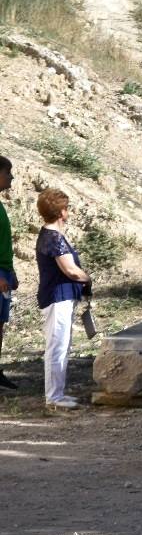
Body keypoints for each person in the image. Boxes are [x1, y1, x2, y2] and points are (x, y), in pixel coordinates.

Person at [34, 188, 90, 410]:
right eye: (66, 208)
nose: (68, 212)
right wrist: (88, 278)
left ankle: (58, 394)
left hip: (61, 296)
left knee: (62, 345)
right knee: (57, 346)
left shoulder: (50, 235)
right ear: (61, 212)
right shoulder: (53, 237)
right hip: (57, 297)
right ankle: (54, 398)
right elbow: (71, 271)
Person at [0, 155, 17, 390]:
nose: (11, 177)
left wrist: (11, 271)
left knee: (0, 324)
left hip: (4, 270)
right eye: (7, 172)